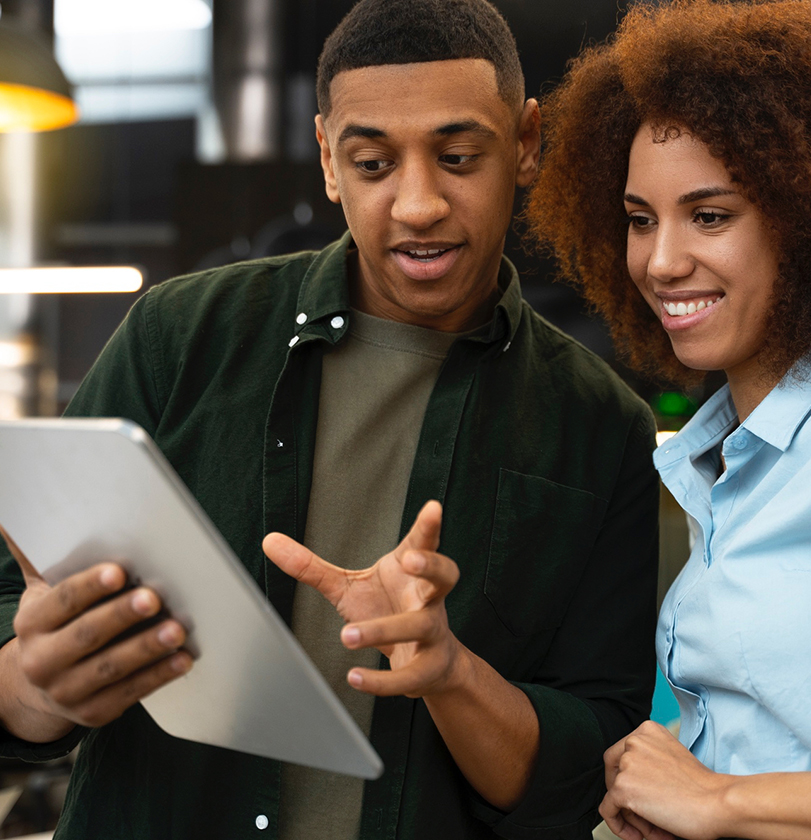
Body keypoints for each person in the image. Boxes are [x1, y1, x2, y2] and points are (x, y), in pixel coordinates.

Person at [0, 0, 661, 838]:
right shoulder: (181, 336)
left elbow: (585, 765)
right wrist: (33, 687)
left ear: (526, 143)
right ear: (326, 160)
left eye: (458, 156)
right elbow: (11, 620)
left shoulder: (600, 429)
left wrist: (450, 672)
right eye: (373, 163)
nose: (418, 204)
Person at [525, 0, 811, 838]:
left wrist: (721, 800)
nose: (660, 261)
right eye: (638, 220)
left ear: (809, 222)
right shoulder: (732, 458)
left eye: (711, 215)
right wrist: (681, 779)